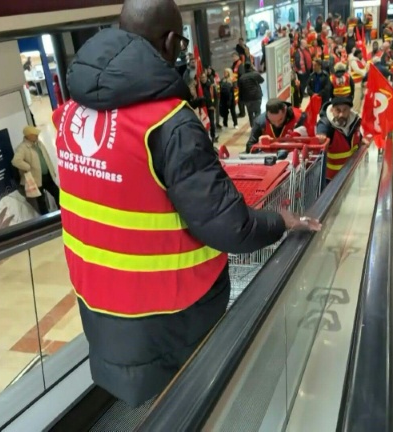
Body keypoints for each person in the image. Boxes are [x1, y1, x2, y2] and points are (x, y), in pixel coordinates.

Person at [56, 0, 320, 407]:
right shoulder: (169, 123)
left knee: (152, 406)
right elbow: (228, 226)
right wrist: (281, 221)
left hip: (98, 303)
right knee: (188, 403)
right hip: (171, 312)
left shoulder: (71, 114)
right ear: (170, 42)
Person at [315, 97, 366, 188]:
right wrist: (321, 135)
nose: (341, 114)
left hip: (351, 174)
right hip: (331, 180)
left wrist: (362, 140)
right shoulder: (327, 123)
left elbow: (358, 137)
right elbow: (322, 129)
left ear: (350, 111)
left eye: (345, 110)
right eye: (338, 110)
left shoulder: (356, 122)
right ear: (332, 110)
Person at [12, 125, 59, 215]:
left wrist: (52, 171)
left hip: (46, 176)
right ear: (28, 135)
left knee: (58, 194)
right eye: (34, 134)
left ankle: (62, 212)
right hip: (35, 179)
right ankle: (46, 220)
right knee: (41, 201)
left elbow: (46, 158)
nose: (37, 136)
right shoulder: (23, 148)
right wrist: (27, 167)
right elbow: (16, 161)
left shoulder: (39, 144)